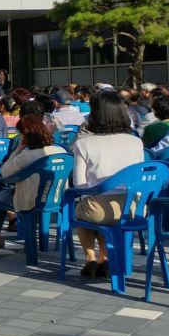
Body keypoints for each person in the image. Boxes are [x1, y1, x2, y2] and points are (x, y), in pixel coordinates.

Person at [70, 91, 146, 279]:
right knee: (98, 210)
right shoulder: (136, 142)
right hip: (133, 208)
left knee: (83, 209)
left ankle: (90, 257)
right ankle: (104, 258)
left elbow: (80, 185)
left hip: (99, 209)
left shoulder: (84, 143)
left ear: (94, 114)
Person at [0, 114, 67, 236]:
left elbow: (5, 172)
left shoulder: (26, 155)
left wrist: (17, 150)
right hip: (56, 197)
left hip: (29, 200)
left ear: (25, 135)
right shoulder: (61, 151)